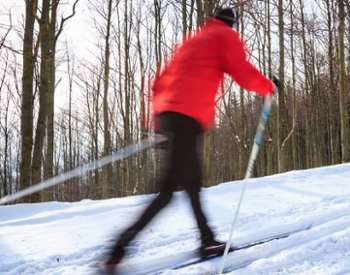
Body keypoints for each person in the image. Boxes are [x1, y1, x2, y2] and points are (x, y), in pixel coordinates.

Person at [102, 7, 275, 270]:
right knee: (167, 192)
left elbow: (159, 81)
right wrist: (268, 86)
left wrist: (157, 125)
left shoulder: (193, 40)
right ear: (231, 24)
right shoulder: (224, 36)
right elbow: (240, 69)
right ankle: (118, 249)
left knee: (192, 184)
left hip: (169, 116)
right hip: (187, 117)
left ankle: (206, 239)